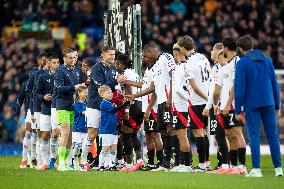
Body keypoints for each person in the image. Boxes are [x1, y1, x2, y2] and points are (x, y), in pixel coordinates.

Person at [234, 35, 283, 177]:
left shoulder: (242, 63)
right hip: (269, 102)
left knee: (254, 136)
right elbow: (275, 84)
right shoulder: (267, 60)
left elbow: (239, 88)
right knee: (273, 136)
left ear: (241, 49)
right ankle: (278, 169)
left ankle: (256, 169)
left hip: (252, 104)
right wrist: (277, 105)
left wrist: (238, 109)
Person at [82, 46, 125, 171]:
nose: (112, 57)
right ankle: (83, 160)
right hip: (95, 105)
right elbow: (102, 88)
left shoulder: (112, 68)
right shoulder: (96, 68)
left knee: (105, 133)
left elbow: (112, 89)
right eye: (110, 54)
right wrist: (116, 81)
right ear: (103, 55)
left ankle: (106, 163)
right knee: (92, 134)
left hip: (106, 107)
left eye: (113, 54)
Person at [177, 35, 211, 171]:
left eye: (181, 49)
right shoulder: (203, 57)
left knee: (198, 133)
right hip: (206, 100)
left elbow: (195, 86)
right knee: (203, 132)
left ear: (184, 48)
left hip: (197, 101)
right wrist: (208, 98)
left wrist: (206, 98)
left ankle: (202, 165)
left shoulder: (188, 63)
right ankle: (207, 163)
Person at [55, 48, 80, 171]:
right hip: (62, 106)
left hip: (72, 106)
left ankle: (65, 162)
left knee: (70, 137)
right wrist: (74, 87)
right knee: (64, 133)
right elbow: (58, 89)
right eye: (70, 57)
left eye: (74, 57)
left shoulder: (76, 71)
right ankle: (60, 163)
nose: (73, 60)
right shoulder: (60, 71)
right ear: (64, 58)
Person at [170, 43, 193, 172]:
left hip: (180, 106)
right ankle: (183, 164)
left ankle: (187, 165)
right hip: (184, 106)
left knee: (182, 135)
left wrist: (186, 100)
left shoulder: (178, 68)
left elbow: (178, 90)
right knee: (182, 135)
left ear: (176, 53)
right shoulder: (188, 66)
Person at [97, 85, 130, 171]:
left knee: (113, 149)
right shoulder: (104, 103)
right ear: (102, 95)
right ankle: (101, 166)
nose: (111, 94)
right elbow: (113, 110)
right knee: (105, 148)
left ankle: (111, 165)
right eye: (108, 93)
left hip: (113, 130)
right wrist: (124, 105)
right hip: (106, 131)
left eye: (111, 92)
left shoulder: (110, 103)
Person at [35, 54, 59, 170]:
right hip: (45, 109)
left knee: (55, 135)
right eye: (54, 63)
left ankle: (52, 161)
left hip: (58, 109)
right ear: (48, 63)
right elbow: (36, 92)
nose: (56, 65)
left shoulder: (61, 76)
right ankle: (44, 162)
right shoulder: (42, 77)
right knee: (45, 136)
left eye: (58, 63)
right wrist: (43, 97)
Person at [202, 43, 223, 170]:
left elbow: (215, 89)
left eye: (213, 50)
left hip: (218, 105)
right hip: (217, 104)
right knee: (219, 134)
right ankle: (224, 163)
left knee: (222, 135)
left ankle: (225, 163)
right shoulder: (216, 67)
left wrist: (210, 105)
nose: (211, 51)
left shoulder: (219, 67)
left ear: (220, 51)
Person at [25, 52, 48, 168]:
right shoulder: (35, 74)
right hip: (36, 107)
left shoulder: (52, 74)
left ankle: (43, 160)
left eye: (46, 60)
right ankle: (35, 159)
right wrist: (32, 107)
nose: (45, 62)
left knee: (44, 134)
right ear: (39, 61)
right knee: (36, 134)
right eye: (43, 60)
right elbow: (29, 90)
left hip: (47, 108)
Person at [71, 85, 88, 171]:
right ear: (79, 93)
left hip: (85, 130)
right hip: (77, 129)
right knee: (77, 146)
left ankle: (83, 163)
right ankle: (74, 162)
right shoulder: (77, 104)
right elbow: (84, 113)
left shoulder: (86, 104)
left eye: (87, 92)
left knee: (85, 147)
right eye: (85, 92)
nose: (86, 93)